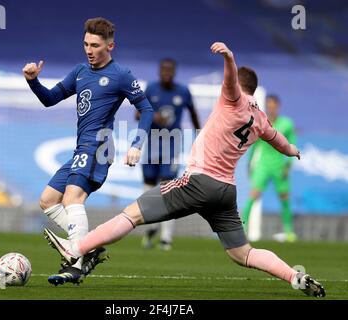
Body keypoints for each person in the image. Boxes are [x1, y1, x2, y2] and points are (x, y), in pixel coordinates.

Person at [43, 41, 325, 297]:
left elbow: (229, 78)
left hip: (199, 182)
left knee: (130, 214)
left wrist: (229, 56)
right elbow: (281, 142)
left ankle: (77, 248)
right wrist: (293, 151)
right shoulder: (261, 120)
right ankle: (294, 275)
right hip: (225, 192)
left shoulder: (233, 99)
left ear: (239, 86)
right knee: (243, 254)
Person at [23, 17, 153, 285]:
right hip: (81, 147)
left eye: (95, 45)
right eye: (85, 44)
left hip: (99, 145)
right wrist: (34, 81)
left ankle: (76, 263)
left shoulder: (121, 75)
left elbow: (148, 109)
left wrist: (137, 145)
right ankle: (88, 246)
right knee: (47, 200)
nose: (89, 50)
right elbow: (50, 99)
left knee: (72, 199)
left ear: (111, 46)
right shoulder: (80, 71)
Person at [139, 58, 200, 250]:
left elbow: (193, 113)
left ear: (174, 72)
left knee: (168, 188)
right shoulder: (151, 89)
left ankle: (166, 237)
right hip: (151, 143)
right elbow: (137, 113)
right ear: (159, 72)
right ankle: (152, 226)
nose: (166, 73)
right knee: (148, 190)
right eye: (163, 70)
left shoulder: (182, 92)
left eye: (169, 70)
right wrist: (153, 116)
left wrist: (201, 136)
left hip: (172, 145)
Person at [242, 95, 297, 242]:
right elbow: (254, 146)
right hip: (262, 166)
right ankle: (243, 228)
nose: (271, 108)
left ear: (277, 106)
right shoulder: (261, 122)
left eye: (273, 105)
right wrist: (249, 164)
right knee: (253, 195)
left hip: (279, 166)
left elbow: (292, 144)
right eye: (268, 105)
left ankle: (289, 231)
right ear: (266, 106)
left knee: (284, 198)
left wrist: (288, 165)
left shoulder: (287, 124)